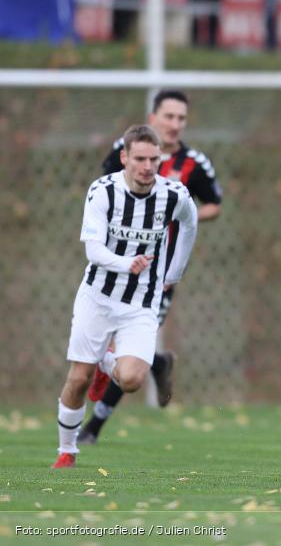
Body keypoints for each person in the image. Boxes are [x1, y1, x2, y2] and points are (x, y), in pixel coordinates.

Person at [78, 90, 222, 445]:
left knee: (129, 349)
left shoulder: (195, 163)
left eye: (181, 118)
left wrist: (181, 217)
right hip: (115, 267)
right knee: (111, 347)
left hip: (158, 275)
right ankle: (157, 363)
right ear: (153, 117)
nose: (175, 124)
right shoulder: (123, 150)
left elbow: (213, 205)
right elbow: (108, 191)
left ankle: (94, 427)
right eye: (169, 116)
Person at [53, 125, 198, 468]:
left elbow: (190, 224)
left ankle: (106, 363)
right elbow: (93, 250)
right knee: (78, 378)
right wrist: (126, 263)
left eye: (153, 159)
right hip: (98, 297)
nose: (147, 167)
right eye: (140, 159)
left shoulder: (173, 194)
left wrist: (174, 272)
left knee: (132, 379)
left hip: (141, 302)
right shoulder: (103, 191)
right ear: (124, 158)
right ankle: (67, 451)